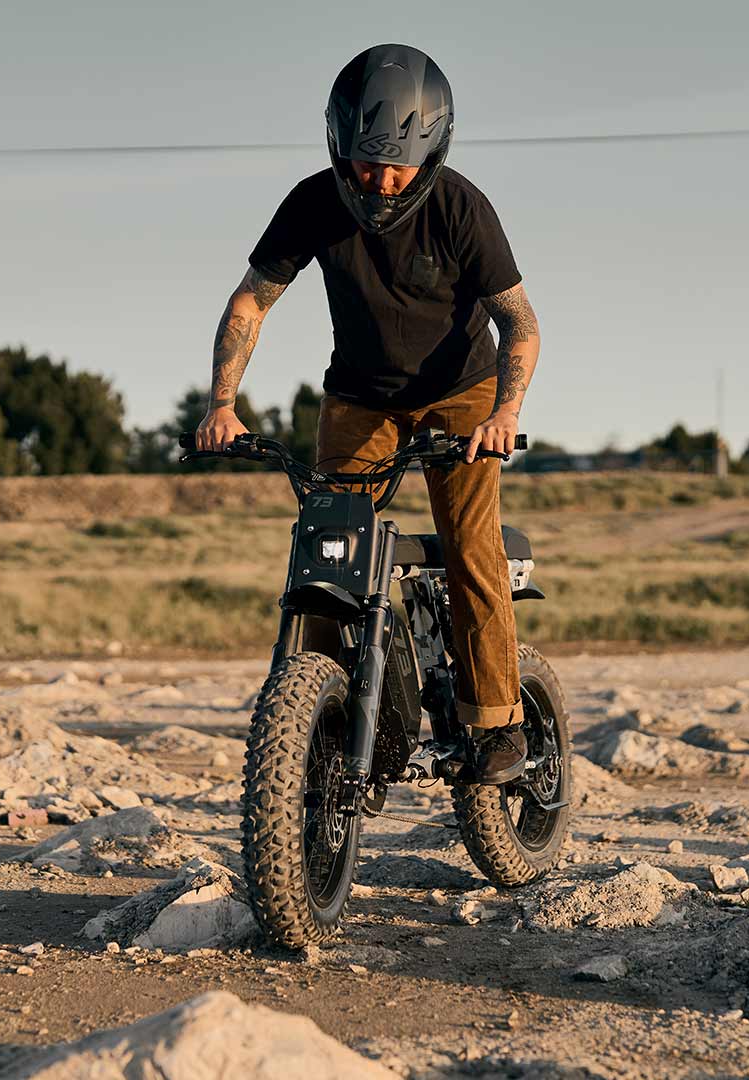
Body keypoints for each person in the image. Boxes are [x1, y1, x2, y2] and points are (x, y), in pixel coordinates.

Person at [195, 43, 540, 784]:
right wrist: (222, 403)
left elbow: (520, 324)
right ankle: (319, 720)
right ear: (338, 142)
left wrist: (504, 411)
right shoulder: (314, 202)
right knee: (328, 548)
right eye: (365, 160)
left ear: (433, 150)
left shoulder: (461, 208)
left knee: (468, 542)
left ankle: (497, 722)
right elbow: (251, 301)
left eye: (398, 165)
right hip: (359, 397)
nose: (380, 180)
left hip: (462, 395)